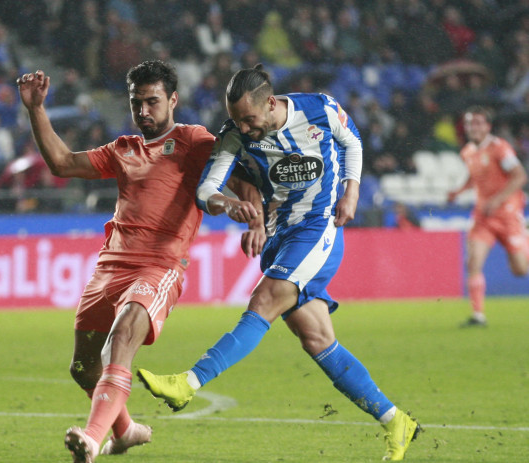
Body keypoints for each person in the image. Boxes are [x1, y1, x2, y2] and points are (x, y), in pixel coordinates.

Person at [137, 65, 421, 461]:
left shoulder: (320, 110)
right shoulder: (235, 133)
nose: (243, 128)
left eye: (249, 119)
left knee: (264, 301)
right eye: (236, 119)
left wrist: (351, 192)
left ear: (270, 104)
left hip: (318, 227)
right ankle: (395, 421)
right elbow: (206, 189)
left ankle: (189, 381)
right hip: (278, 236)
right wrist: (229, 203)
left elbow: (352, 139)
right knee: (318, 340)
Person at [16, 60, 254, 463]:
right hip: (109, 269)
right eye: (136, 103)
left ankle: (92, 439)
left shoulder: (195, 141)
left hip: (159, 267)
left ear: (173, 100)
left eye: (152, 102)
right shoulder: (122, 149)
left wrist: (251, 214)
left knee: (122, 339)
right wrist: (36, 109)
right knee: (82, 368)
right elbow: (62, 163)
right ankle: (126, 432)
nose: (143, 111)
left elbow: (241, 176)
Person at [447, 106, 529, 327]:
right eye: (470, 123)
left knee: (520, 270)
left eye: (478, 123)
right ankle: (478, 315)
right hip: (483, 216)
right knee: (473, 262)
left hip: (508, 214)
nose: (473, 127)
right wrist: (458, 191)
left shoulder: (500, 148)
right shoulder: (468, 152)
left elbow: (519, 176)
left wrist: (497, 200)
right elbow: (475, 177)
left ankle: (526, 239)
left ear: (488, 126)